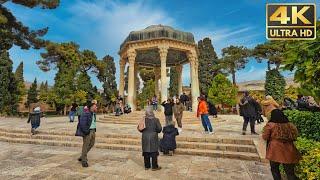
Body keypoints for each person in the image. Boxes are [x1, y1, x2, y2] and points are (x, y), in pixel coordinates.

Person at [262, 109, 301, 180]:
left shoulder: (270, 125)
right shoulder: (290, 125)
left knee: (274, 169)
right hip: (289, 148)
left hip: (275, 149)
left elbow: (265, 137)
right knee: (290, 172)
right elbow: (295, 136)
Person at [75, 100, 98, 168]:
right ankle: (84, 161)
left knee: (92, 143)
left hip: (93, 130)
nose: (96, 107)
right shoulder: (86, 113)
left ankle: (82, 156)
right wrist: (86, 131)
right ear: (91, 107)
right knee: (85, 145)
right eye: (95, 106)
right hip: (88, 131)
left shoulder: (93, 113)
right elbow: (82, 123)